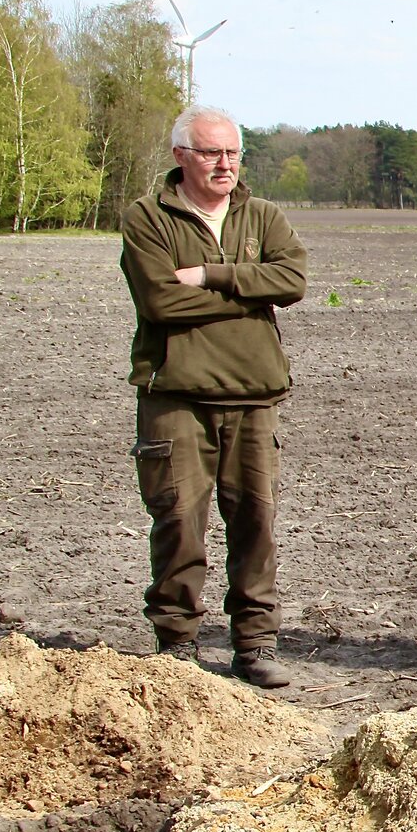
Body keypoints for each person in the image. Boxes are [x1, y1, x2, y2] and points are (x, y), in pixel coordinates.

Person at [119, 106, 310, 688]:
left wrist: (209, 276)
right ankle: (176, 643)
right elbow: (159, 303)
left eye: (231, 153)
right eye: (210, 153)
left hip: (254, 396)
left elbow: (293, 282)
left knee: (255, 519)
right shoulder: (149, 219)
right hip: (175, 395)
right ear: (180, 156)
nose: (223, 164)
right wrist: (253, 293)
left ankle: (254, 644)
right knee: (178, 517)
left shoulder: (263, 216)